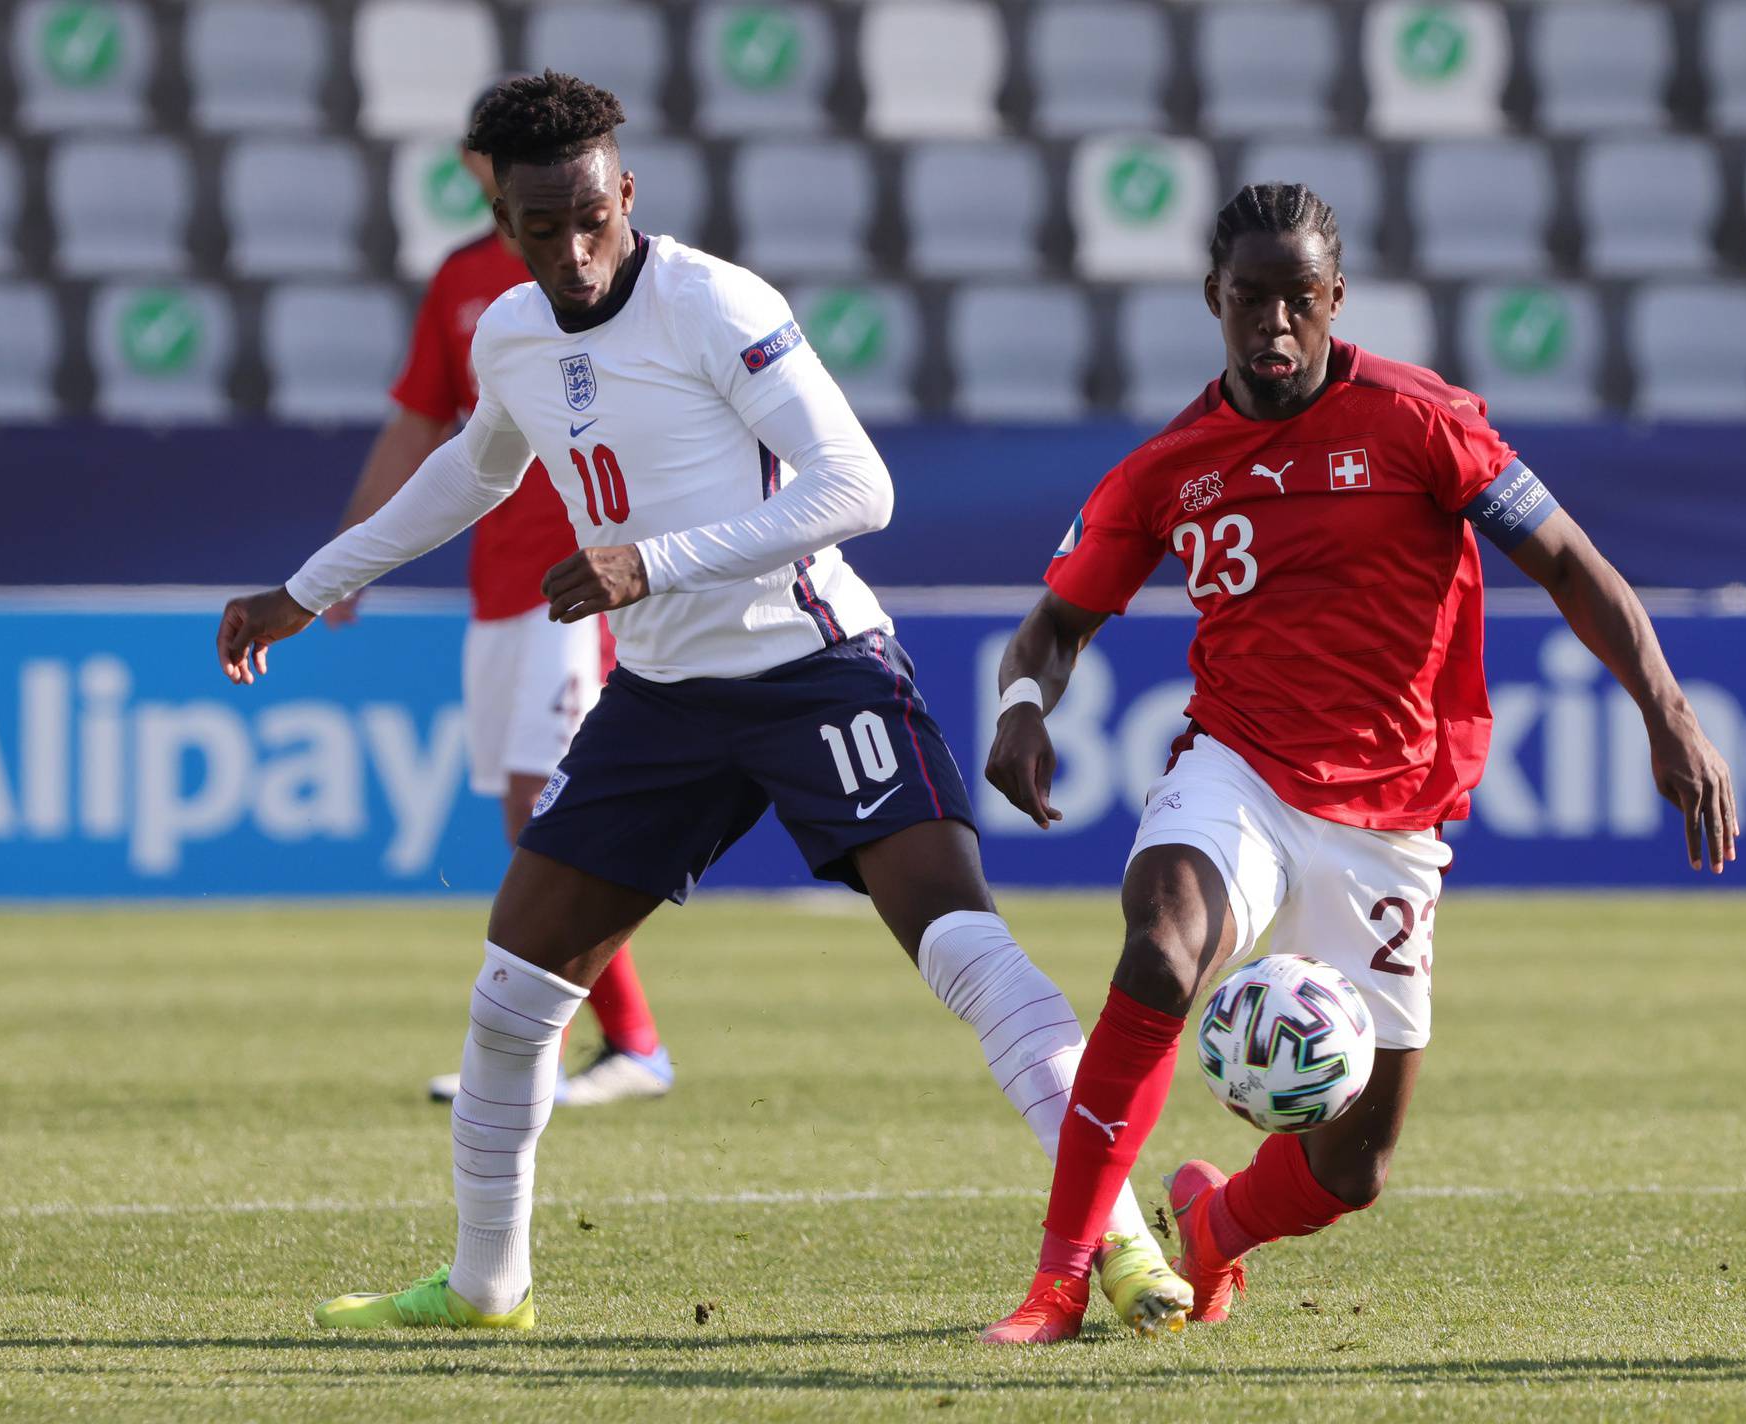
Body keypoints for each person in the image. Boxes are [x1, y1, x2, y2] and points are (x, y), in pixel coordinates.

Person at [215, 71, 1187, 1335]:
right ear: (495, 212)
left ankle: (1120, 1248)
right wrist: (307, 586)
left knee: (959, 945)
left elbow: (857, 488)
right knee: (512, 994)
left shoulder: (715, 303)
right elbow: (472, 470)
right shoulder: (507, 332)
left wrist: (649, 560)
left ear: (626, 190)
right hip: (665, 698)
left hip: (812, 664)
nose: (569, 252)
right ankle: (484, 1285)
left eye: (589, 219)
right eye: (535, 226)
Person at [978, 183, 1738, 1343]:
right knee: (1160, 949)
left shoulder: (1423, 420)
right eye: (1249, 302)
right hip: (1237, 765)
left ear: (1335, 298)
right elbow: (1052, 627)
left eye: (1298, 301)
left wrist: (1668, 711)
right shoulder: (1170, 467)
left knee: (1354, 1165)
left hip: (1391, 812)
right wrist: (1026, 706)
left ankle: (1218, 1224)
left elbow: (1573, 565)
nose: (1274, 328)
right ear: (1212, 302)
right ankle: (1064, 1276)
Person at [329, 94, 672, 1109]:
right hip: (496, 586)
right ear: (479, 167)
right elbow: (422, 425)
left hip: (575, 586)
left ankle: (611, 1042)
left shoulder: (614, 269)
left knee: (549, 808)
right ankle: (609, 1040)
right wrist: (349, 554)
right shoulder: (465, 283)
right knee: (526, 812)